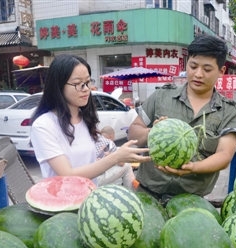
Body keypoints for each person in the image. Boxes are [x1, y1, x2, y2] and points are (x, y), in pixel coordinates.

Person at [128, 35, 236, 204]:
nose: (198, 74)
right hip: (147, 195)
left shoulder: (229, 111)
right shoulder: (161, 96)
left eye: (207, 69)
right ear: (186, 64)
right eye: (193, 66)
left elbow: (224, 155)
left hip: (192, 201)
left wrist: (193, 168)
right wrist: (154, 132)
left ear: (221, 71)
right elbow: (133, 132)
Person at [30, 54, 150, 185]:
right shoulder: (44, 125)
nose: (86, 89)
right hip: (63, 201)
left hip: (90, 197)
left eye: (87, 82)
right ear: (58, 86)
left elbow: (88, 161)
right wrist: (116, 157)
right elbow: (68, 174)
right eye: (77, 84)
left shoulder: (85, 118)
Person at [96, 126, 137, 190]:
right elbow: (122, 163)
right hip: (95, 178)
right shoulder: (109, 143)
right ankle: (133, 195)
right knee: (127, 166)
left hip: (83, 174)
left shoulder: (95, 140)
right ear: (111, 135)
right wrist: (110, 155)